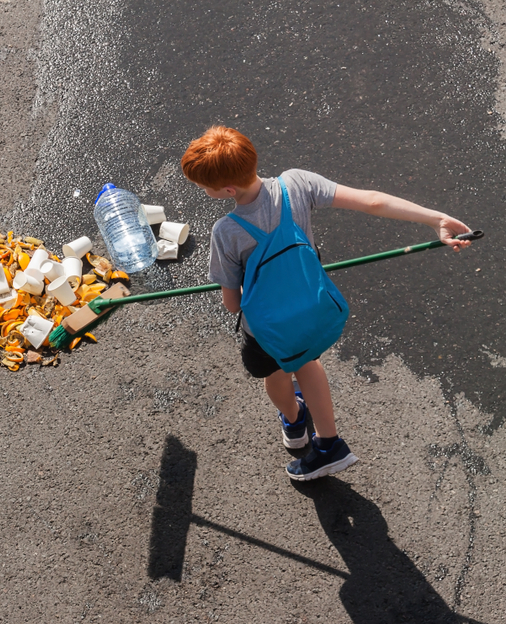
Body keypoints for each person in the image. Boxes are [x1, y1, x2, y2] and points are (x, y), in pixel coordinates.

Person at [180, 126, 472, 481]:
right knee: (308, 363)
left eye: (204, 187)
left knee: (275, 374)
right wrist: (435, 218)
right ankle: (329, 445)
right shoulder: (296, 184)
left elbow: (231, 303)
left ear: (227, 190)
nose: (203, 190)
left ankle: (293, 420)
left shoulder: (227, 231)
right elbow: (372, 201)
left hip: (268, 330)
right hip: (312, 308)